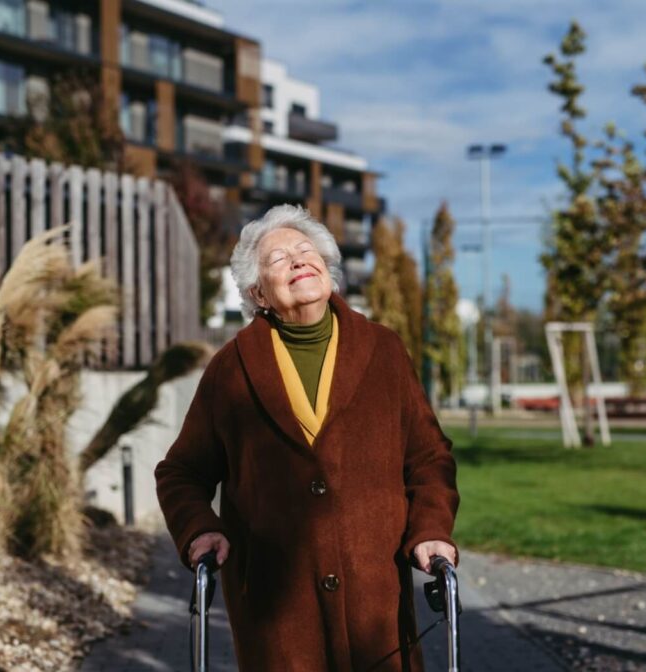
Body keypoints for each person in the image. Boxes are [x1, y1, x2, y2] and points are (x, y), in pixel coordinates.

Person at [155, 204, 459, 671]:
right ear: (258, 292)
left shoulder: (383, 350)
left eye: (305, 250)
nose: (298, 259)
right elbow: (181, 471)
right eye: (278, 259)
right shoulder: (230, 369)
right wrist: (199, 528)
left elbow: (429, 456)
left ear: (327, 268)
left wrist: (432, 528)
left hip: (376, 601)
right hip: (277, 610)